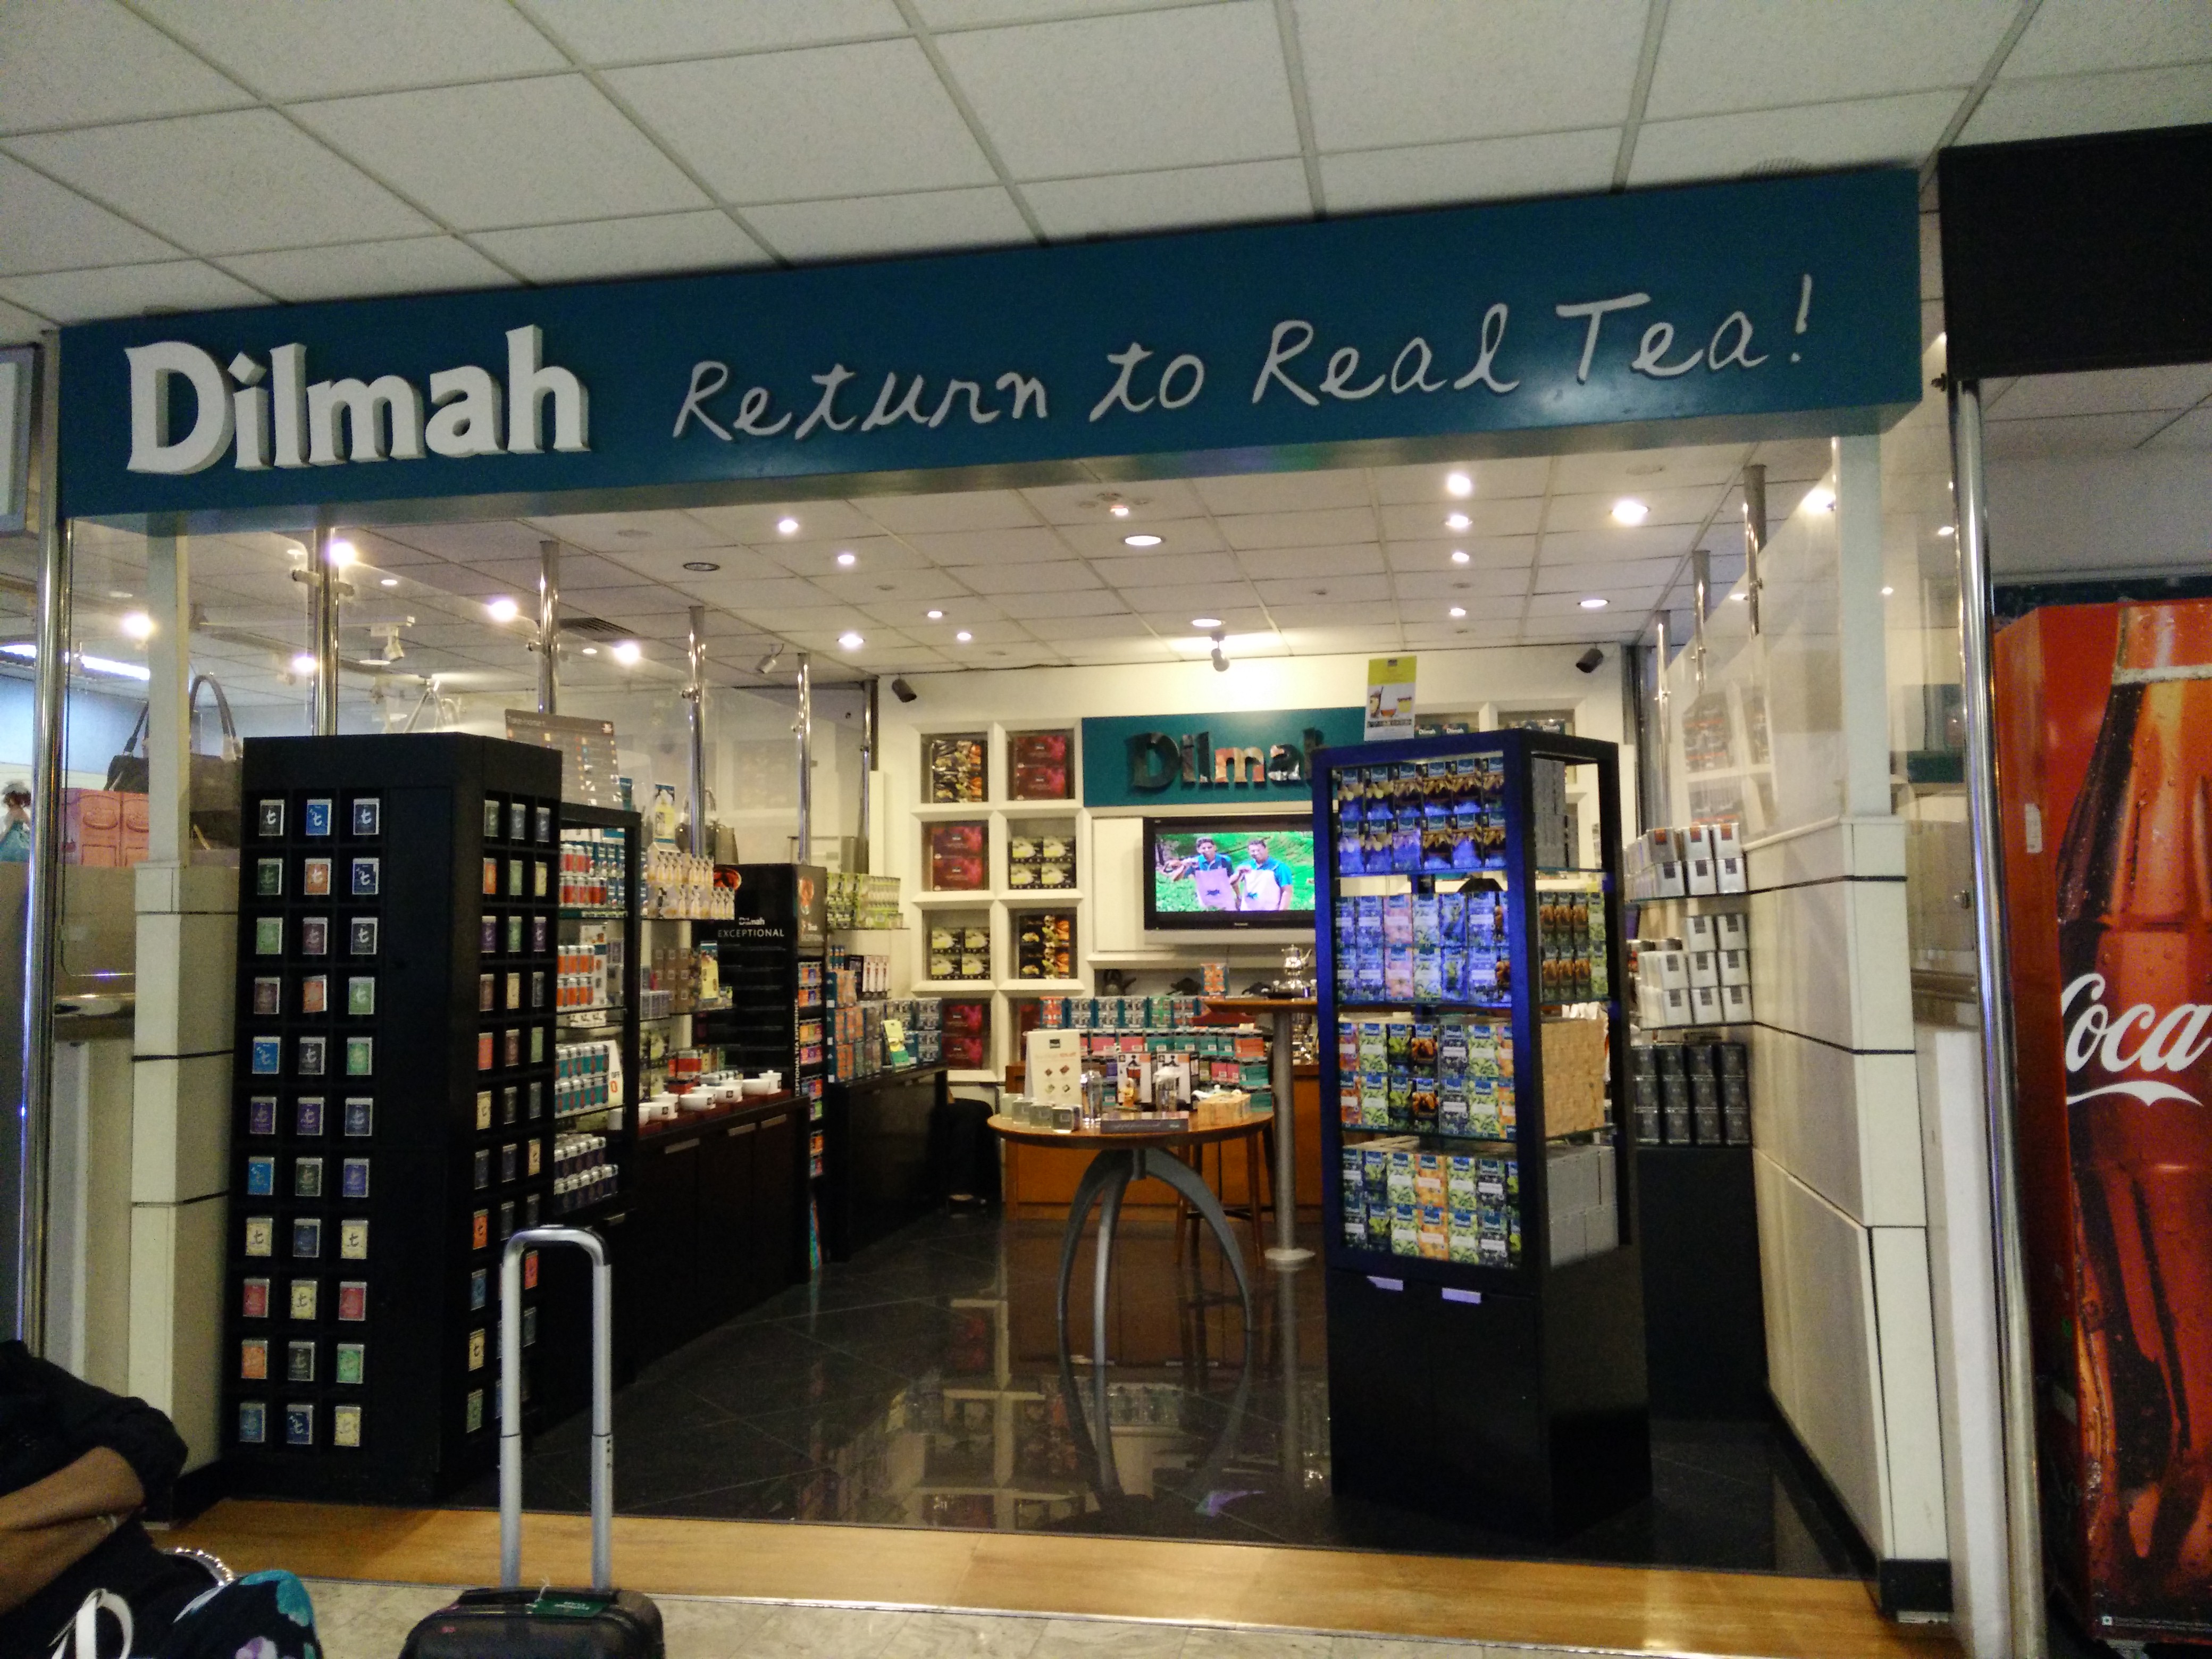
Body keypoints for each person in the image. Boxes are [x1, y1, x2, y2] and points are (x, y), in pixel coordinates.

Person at [0, 1342, 319, 1657]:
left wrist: (11, 1519)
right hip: (60, 1640)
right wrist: (107, 1509)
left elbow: (153, 1440)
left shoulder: (16, 1375)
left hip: (161, 1601)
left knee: (272, 1600)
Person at [1161, 836, 1237, 911]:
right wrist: (1185, 867)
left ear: (1215, 848)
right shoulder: (1194, 862)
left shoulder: (1225, 860)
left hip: (1226, 901)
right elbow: (1175, 879)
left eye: (1210, 847)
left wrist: (1238, 896)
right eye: (1204, 848)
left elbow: (1233, 879)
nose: (1207, 850)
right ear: (1199, 850)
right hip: (1206, 903)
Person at [1233, 837, 1296, 912]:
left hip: (1270, 912)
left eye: (1259, 850)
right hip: (1247, 912)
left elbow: (1287, 891)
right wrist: (1239, 873)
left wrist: (1281, 913)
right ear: (1249, 852)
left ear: (1266, 849)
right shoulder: (1245, 866)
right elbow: (1233, 883)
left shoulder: (1279, 867)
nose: (1256, 853)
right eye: (1253, 851)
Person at [0, 782, 31, 862]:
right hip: (21, 837)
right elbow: (31, 826)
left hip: (13, 839)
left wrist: (1, 838)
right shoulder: (21, 812)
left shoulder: (15, 812)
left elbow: (8, 829)